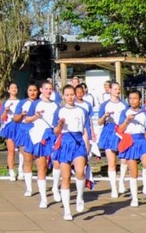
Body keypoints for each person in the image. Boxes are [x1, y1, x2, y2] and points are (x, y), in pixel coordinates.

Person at [53, 85, 90, 220]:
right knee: (66, 177)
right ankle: (67, 210)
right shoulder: (60, 111)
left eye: (72, 94)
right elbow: (55, 131)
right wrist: (60, 126)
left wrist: (87, 148)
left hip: (78, 142)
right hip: (65, 142)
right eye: (67, 95)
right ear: (63, 96)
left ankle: (80, 197)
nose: (70, 97)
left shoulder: (81, 110)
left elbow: (85, 130)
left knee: (80, 171)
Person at [23, 81, 58, 208]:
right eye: (46, 89)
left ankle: (55, 188)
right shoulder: (36, 104)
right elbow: (27, 119)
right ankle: (43, 198)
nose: (48, 91)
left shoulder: (56, 105)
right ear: (41, 90)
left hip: (53, 135)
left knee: (57, 164)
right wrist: (36, 117)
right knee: (42, 167)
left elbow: (57, 123)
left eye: (50, 89)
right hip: (39, 135)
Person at [117, 90, 146, 207]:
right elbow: (120, 129)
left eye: (135, 98)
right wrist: (127, 121)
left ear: (140, 99)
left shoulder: (145, 113)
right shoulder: (125, 112)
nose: (132, 101)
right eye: (130, 98)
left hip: (142, 140)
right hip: (130, 140)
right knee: (133, 171)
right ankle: (134, 198)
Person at [96, 81, 126, 199]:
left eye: (119, 89)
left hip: (121, 132)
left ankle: (122, 181)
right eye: (115, 89)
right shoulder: (105, 105)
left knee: (124, 159)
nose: (117, 91)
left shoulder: (124, 105)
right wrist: (105, 116)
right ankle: (114, 188)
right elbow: (99, 122)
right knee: (111, 162)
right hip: (109, 131)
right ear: (110, 90)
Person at [16, 83, 40, 196]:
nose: (32, 92)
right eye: (30, 90)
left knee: (41, 161)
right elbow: (15, 119)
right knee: (27, 159)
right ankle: (29, 188)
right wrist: (21, 115)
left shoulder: (41, 103)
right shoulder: (22, 103)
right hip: (25, 131)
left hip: (39, 131)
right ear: (27, 91)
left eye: (34, 90)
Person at [0, 84, 21, 180]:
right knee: (11, 151)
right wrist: (6, 111)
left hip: (19, 126)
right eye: (11, 88)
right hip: (9, 127)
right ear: (8, 90)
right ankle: (11, 171)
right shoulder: (5, 103)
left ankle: (21, 170)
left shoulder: (21, 102)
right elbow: (2, 118)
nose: (14, 89)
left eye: (15, 88)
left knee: (22, 151)